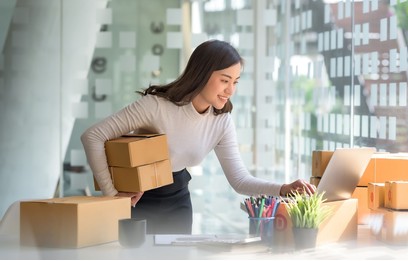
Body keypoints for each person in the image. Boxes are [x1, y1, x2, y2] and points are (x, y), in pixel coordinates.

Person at [81, 39, 316, 234]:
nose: (230, 90)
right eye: (224, 80)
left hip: (178, 201)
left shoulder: (221, 121)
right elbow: (93, 136)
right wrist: (112, 196)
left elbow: (239, 180)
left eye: (235, 82)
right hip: (138, 202)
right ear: (202, 74)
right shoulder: (156, 106)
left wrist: (284, 189)